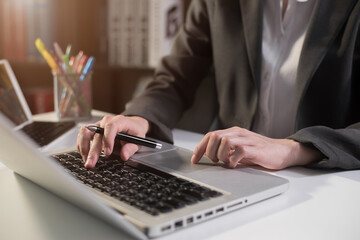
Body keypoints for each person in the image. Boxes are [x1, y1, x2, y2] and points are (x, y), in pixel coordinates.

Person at [77, 0, 360, 170]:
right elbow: (176, 74)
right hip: (231, 172)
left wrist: (292, 148)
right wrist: (140, 118)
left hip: (327, 181)